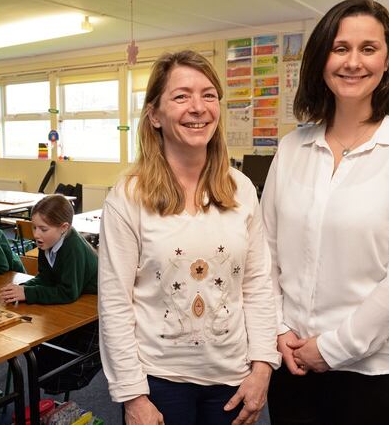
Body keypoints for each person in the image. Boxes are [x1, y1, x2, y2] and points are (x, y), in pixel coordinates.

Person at [262, 0, 389, 425]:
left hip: (377, 371)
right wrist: (278, 328)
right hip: (291, 358)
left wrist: (332, 349)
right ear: (321, 58)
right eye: (340, 48)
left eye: (368, 48)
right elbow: (266, 250)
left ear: (388, 59)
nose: (352, 62)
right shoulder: (292, 148)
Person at [99, 50, 279, 425]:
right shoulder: (128, 196)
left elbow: (258, 284)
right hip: (158, 381)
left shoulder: (241, 189)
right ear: (154, 115)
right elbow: (115, 303)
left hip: (233, 376)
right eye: (181, 96)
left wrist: (263, 366)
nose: (198, 107)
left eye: (208, 95)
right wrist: (133, 396)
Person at [0, 194, 101, 393]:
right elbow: (45, 277)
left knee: (59, 354)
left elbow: (68, 293)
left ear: (63, 228)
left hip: (92, 306)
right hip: (77, 298)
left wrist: (28, 293)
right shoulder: (47, 242)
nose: (36, 234)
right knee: (42, 348)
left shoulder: (72, 248)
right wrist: (24, 288)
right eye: (34, 227)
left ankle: (51, 385)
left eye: (43, 229)